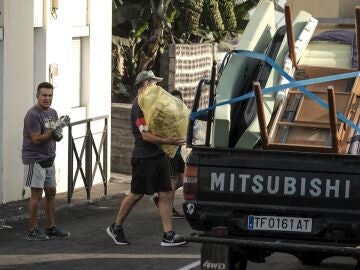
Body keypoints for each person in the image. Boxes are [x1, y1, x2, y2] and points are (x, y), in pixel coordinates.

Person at [106, 70, 187, 247]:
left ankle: (168, 235)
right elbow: (146, 136)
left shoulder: (154, 106)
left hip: (160, 155)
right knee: (136, 194)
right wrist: (168, 140)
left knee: (165, 194)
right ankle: (116, 227)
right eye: (153, 83)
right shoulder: (138, 106)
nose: (156, 86)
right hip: (144, 157)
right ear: (146, 84)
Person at [22, 82, 70, 241]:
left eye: (50, 96)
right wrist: (54, 129)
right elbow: (36, 139)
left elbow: (56, 136)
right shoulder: (32, 115)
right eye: (44, 95)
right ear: (37, 96)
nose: (47, 98)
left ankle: (50, 228)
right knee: (36, 195)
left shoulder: (53, 112)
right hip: (35, 160)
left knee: (51, 192)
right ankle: (32, 231)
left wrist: (60, 129)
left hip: (49, 158)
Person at [153, 90, 185, 218]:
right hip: (170, 152)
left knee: (183, 180)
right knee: (172, 180)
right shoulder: (165, 116)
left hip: (179, 152)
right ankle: (169, 209)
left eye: (178, 100)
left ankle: (160, 197)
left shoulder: (182, 114)